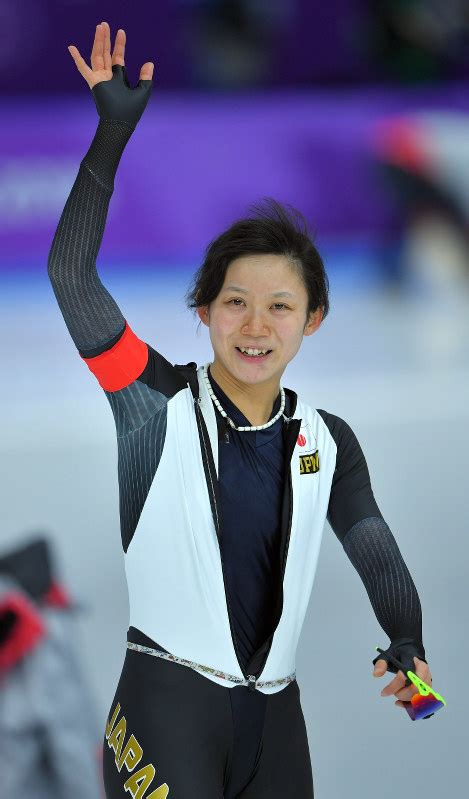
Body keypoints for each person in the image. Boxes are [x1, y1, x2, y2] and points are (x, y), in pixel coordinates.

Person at [48, 21, 432, 799]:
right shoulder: (150, 401)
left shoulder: (327, 441)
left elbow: (377, 555)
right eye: (235, 303)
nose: (256, 326)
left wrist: (407, 646)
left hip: (276, 722)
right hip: (166, 708)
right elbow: (70, 275)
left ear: (312, 318)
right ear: (203, 310)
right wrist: (110, 136)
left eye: (279, 306)